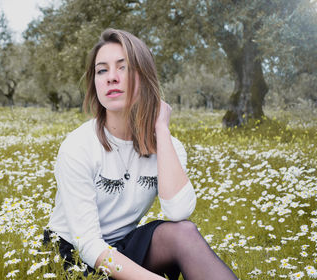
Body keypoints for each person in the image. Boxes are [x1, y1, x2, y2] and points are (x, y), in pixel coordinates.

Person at [45, 28, 238, 280]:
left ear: (144, 77)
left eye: (123, 67)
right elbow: (88, 243)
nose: (111, 78)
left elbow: (178, 213)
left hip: (122, 246)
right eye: (102, 70)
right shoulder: (79, 145)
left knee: (183, 233)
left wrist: (161, 129)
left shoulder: (169, 146)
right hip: (72, 256)